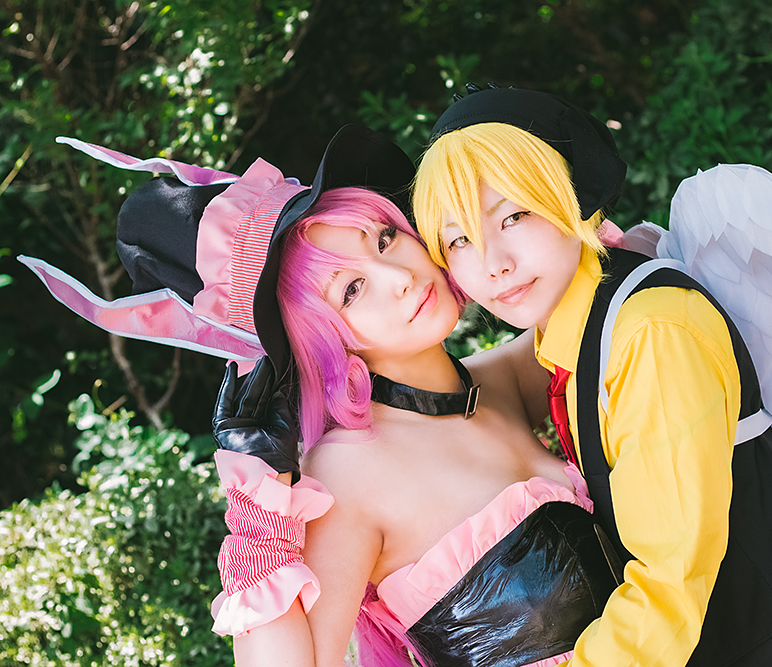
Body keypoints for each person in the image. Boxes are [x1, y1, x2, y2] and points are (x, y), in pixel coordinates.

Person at [411, 85, 772, 666]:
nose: (492, 263)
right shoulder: (575, 332)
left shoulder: (648, 330)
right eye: (459, 240)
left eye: (513, 216)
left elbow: (669, 580)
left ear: (568, 193)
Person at [22, 125, 624, 667]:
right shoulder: (347, 473)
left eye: (385, 239)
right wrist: (259, 503)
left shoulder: (501, 382)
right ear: (317, 334)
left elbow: (607, 313)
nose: (401, 278)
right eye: (352, 290)